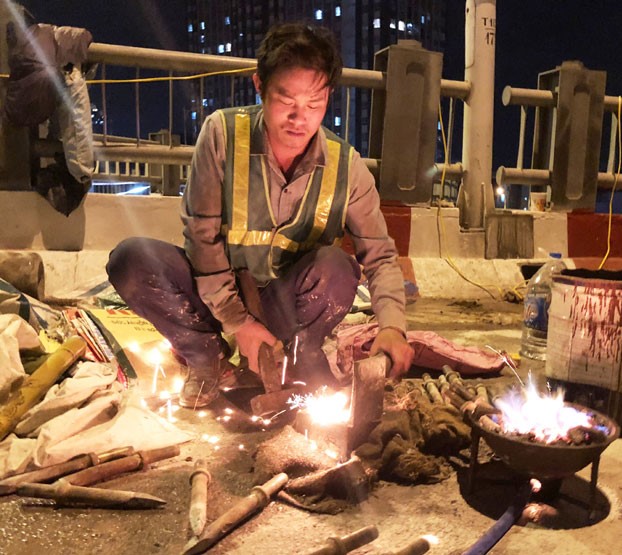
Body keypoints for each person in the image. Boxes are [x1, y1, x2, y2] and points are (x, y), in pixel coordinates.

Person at [107, 23, 414, 409]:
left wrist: (392, 327)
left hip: (285, 308)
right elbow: (201, 240)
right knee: (132, 261)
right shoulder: (221, 134)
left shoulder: (346, 166)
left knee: (337, 268)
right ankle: (209, 359)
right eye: (285, 100)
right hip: (216, 299)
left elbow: (380, 256)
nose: (298, 119)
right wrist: (239, 324)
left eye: (313, 104)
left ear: (329, 98)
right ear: (259, 85)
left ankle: (299, 357)